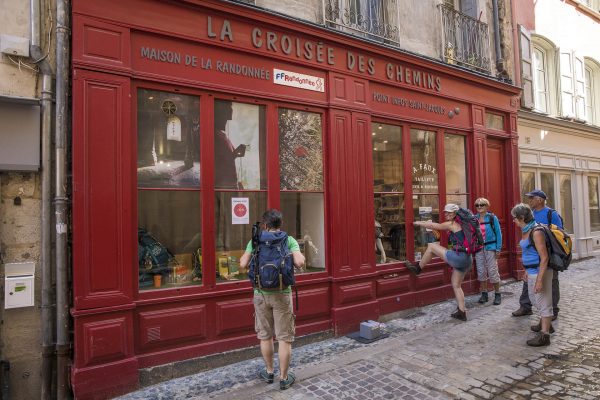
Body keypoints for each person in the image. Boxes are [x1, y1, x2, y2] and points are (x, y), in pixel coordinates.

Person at [239, 209, 305, 390]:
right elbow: (300, 262)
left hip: (260, 294)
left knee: (265, 336)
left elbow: (243, 264)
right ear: (280, 224)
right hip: (282, 294)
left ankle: (269, 372)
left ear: (265, 225)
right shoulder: (288, 240)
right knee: (284, 338)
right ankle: (284, 378)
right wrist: (297, 257)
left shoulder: (255, 241)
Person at [405, 203, 473, 321]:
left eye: (449, 212)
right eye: (445, 212)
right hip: (467, 259)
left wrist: (418, 223)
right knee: (456, 285)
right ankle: (462, 312)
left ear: (455, 213)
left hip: (459, 257)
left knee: (431, 246)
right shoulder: (464, 224)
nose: (446, 214)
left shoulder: (451, 224)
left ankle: (417, 268)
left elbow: (434, 225)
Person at [512, 190, 562, 320]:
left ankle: (553, 311)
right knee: (528, 281)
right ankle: (525, 306)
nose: (530, 201)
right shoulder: (531, 214)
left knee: (551, 282)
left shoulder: (551, 214)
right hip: (533, 255)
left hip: (548, 255)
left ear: (540, 199)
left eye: (532, 198)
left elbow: (559, 234)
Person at [511, 203, 554, 346]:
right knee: (534, 299)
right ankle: (545, 322)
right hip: (531, 271)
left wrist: (540, 280)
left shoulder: (536, 231)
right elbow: (529, 252)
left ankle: (545, 335)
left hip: (540, 272)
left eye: (515, 218)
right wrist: (525, 270)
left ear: (522, 217)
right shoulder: (526, 230)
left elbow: (544, 257)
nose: (513, 221)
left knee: (543, 302)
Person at [473, 198, 503, 305]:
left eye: (482, 205)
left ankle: (497, 294)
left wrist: (498, 248)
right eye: (477, 205)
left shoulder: (492, 218)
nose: (479, 207)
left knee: (493, 271)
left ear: (487, 206)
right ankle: (484, 294)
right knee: (481, 271)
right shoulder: (474, 219)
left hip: (491, 247)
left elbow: (498, 234)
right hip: (479, 248)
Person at [214, 100, 246, 189]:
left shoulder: (221, 135)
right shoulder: (216, 136)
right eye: (228, 107)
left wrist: (236, 153)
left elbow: (227, 157)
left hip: (229, 185)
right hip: (223, 186)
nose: (231, 110)